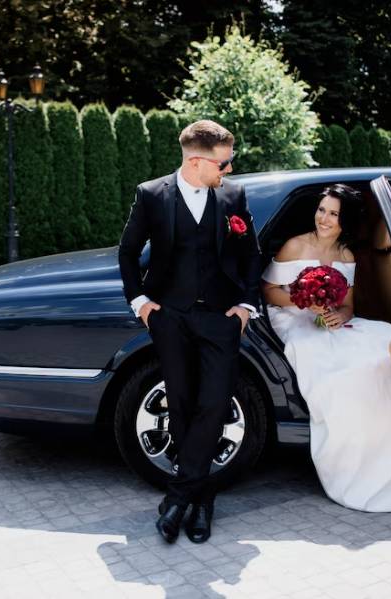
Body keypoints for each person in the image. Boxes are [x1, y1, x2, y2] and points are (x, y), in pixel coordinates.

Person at [118, 120, 261, 543]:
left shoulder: (232, 195)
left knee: (214, 403)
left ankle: (179, 497)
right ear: (197, 161)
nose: (229, 170)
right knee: (180, 403)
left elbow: (250, 252)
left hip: (220, 318)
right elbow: (128, 253)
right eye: (224, 162)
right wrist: (141, 303)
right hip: (171, 317)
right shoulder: (151, 195)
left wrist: (246, 306)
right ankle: (201, 503)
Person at [261, 184, 391, 512]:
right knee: (340, 372)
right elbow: (267, 291)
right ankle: (343, 454)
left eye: (333, 214)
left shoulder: (346, 256)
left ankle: (379, 443)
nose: (323, 218)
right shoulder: (295, 246)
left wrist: (337, 316)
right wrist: (303, 300)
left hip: (325, 320)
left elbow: (348, 306)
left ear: (345, 221)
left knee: (382, 340)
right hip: (291, 319)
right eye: (322, 210)